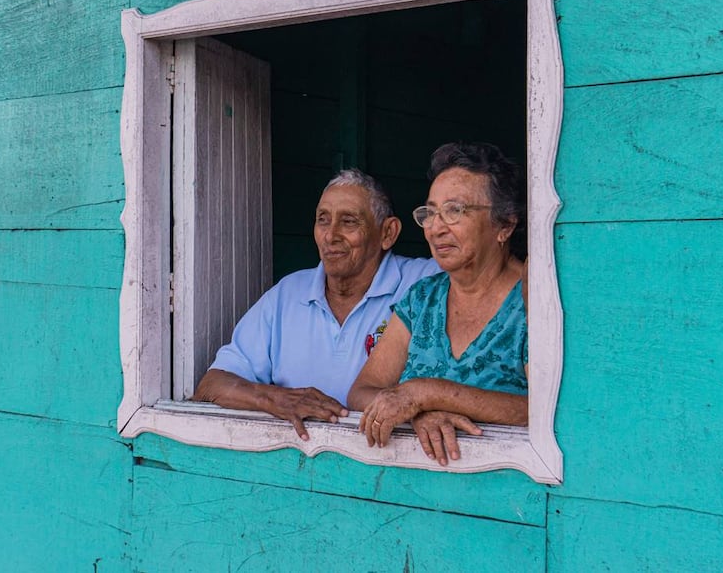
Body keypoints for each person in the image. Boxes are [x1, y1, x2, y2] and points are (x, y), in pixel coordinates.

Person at [193, 169, 440, 440]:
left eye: (348, 221)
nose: (330, 235)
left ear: (387, 233)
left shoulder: (426, 281)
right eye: (323, 220)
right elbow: (212, 385)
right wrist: (275, 398)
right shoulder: (288, 294)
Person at [347, 142, 529, 466]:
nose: (435, 228)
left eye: (454, 211)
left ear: (505, 225)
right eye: (430, 213)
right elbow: (362, 391)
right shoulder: (422, 298)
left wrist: (427, 394)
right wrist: (417, 411)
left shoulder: (533, 299)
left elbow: (542, 411)